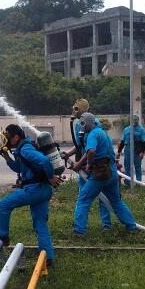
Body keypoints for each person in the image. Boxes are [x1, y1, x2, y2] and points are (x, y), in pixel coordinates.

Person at [0, 124, 60, 267]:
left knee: (4, 204)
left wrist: (51, 177)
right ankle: (48, 258)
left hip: (35, 189)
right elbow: (19, 168)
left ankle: (3, 236)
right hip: (43, 190)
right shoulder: (22, 149)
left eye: (7, 137)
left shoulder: (25, 149)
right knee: (40, 224)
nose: (5, 140)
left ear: (15, 137)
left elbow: (45, 161)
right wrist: (6, 156)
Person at [70, 113, 137, 235]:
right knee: (116, 201)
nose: (82, 126)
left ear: (90, 123)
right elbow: (87, 150)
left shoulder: (92, 134)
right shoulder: (101, 132)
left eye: (83, 123)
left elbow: (90, 151)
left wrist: (88, 165)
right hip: (111, 170)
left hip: (100, 172)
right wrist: (80, 163)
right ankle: (131, 226)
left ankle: (80, 230)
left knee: (83, 199)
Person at [60, 98, 113, 229]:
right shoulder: (80, 123)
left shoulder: (92, 124)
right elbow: (79, 145)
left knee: (99, 195)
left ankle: (104, 225)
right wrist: (68, 155)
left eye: (77, 109)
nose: (74, 111)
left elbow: (90, 150)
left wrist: (80, 163)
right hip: (88, 163)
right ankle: (81, 225)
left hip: (97, 164)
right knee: (83, 194)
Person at [118, 114, 145, 184]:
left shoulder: (141, 130)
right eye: (133, 120)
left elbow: (144, 142)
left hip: (137, 150)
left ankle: (139, 182)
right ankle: (128, 182)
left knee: (137, 167)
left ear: (138, 121)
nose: (135, 122)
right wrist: (119, 152)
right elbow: (122, 141)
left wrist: (142, 152)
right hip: (128, 149)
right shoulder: (126, 130)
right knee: (127, 167)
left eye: (136, 121)